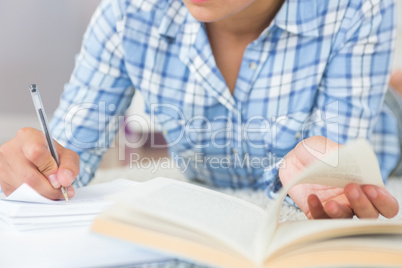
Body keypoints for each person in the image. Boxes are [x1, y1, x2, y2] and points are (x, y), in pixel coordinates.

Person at [0, 0, 400, 220]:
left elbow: (334, 168)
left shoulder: (360, 8)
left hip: (387, 135)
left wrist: (314, 175)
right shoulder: (128, 13)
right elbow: (69, 154)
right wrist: (41, 167)